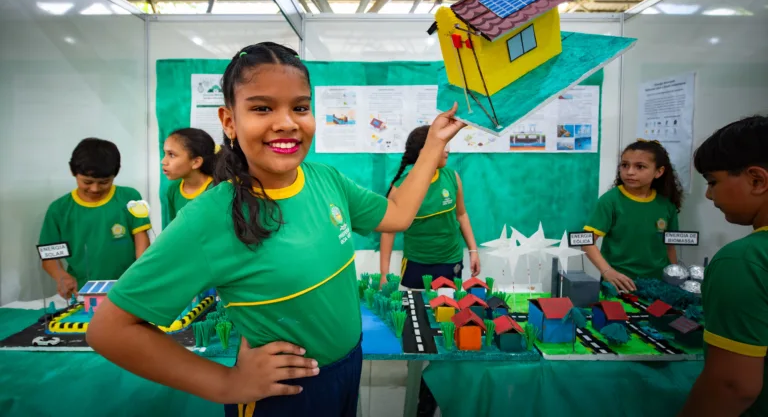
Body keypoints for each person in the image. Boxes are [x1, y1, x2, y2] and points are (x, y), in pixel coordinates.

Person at [86, 42, 465, 417]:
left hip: (348, 368)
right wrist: (226, 384)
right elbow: (109, 330)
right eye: (262, 108)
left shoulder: (325, 179)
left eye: (300, 107)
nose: (286, 122)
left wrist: (433, 143)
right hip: (284, 397)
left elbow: (397, 215)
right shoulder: (209, 218)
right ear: (229, 121)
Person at [679, 115, 768, 417]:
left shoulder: (744, 261)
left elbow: (733, 385)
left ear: (757, 180)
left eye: (713, 182)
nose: (708, 194)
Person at [39, 138, 152, 299]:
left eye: (104, 182)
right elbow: (48, 256)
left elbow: (141, 241)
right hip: (83, 291)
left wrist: (142, 273)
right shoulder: (59, 210)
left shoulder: (130, 197)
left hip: (127, 287)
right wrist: (61, 276)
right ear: (73, 172)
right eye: (87, 182)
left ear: (115, 175)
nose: (94, 188)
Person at [379, 125, 481, 290]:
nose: (447, 150)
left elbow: (461, 215)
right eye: (443, 146)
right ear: (424, 152)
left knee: (447, 310)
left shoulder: (452, 177)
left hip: (451, 261)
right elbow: (388, 231)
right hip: (416, 263)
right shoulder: (401, 187)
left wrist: (473, 251)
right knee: (416, 310)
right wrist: (384, 274)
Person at [582, 139, 683, 292]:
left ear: (659, 172)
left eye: (640, 167)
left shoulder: (666, 205)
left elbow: (670, 247)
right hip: (619, 284)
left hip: (658, 284)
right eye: (624, 165)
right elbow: (587, 242)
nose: (630, 172)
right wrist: (608, 272)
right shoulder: (610, 200)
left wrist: (673, 278)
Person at [162, 127, 217, 222]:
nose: (163, 161)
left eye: (171, 155)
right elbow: (174, 229)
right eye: (165, 154)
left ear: (195, 162)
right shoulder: (173, 190)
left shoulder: (216, 190)